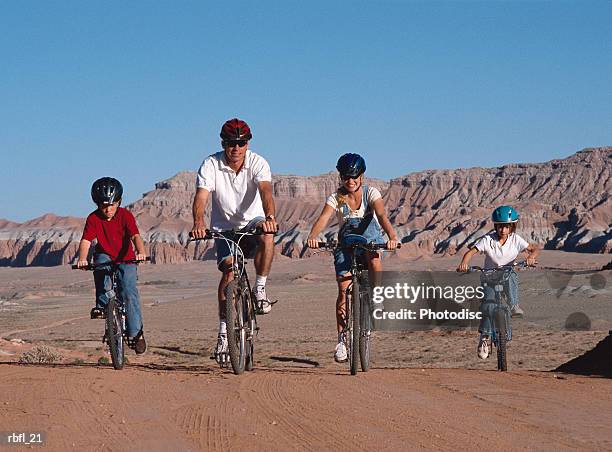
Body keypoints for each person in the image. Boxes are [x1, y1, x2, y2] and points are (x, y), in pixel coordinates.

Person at [191, 118, 278, 362]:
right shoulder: (210, 164)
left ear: (248, 144)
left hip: (252, 222)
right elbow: (201, 197)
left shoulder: (258, 163)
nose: (236, 148)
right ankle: (223, 334)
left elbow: (266, 192)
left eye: (241, 143)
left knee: (267, 234)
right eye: (231, 143)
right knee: (228, 274)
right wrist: (198, 223)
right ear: (223, 143)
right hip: (224, 228)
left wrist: (270, 217)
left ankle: (260, 288)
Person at [306, 153, 399, 363]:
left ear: (362, 176)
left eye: (354, 176)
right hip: (346, 244)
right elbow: (323, 218)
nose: (350, 181)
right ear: (340, 177)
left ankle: (377, 296)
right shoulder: (336, 198)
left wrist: (392, 237)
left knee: (374, 258)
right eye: (346, 177)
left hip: (370, 241)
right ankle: (341, 340)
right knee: (342, 290)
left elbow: (382, 215)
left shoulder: (371, 193)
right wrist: (313, 236)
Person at [76, 177, 148, 354]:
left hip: (126, 257)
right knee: (100, 270)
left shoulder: (125, 215)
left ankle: (136, 333)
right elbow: (86, 240)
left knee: (129, 292)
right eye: (103, 205)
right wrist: (82, 258)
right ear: (97, 204)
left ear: (119, 202)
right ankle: (102, 306)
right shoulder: (93, 218)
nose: (108, 209)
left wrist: (141, 251)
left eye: (112, 204)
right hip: (105, 255)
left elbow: (135, 236)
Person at [457, 205, 539, 360]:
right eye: (500, 226)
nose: (503, 230)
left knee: (512, 274)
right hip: (489, 277)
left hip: (506, 275)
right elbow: (471, 252)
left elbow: (534, 249)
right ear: (495, 226)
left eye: (506, 226)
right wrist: (464, 263)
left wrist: (531, 257)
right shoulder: (488, 240)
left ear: (512, 226)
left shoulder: (516, 239)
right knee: (488, 306)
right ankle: (485, 338)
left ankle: (514, 306)